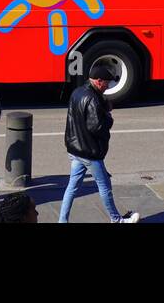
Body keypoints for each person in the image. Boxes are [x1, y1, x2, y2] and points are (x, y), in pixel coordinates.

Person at [57, 65, 139, 223]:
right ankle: (117, 220)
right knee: (105, 186)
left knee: (72, 187)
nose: (108, 86)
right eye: (106, 82)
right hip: (90, 152)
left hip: (75, 149)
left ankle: (62, 220)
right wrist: (108, 115)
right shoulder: (93, 99)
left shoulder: (77, 92)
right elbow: (97, 127)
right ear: (99, 81)